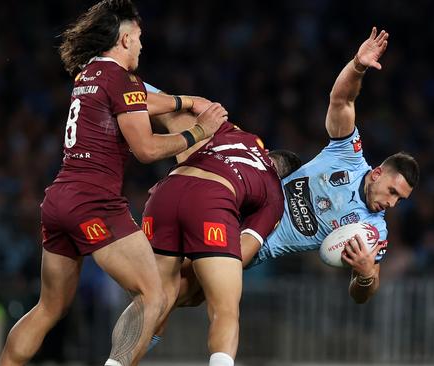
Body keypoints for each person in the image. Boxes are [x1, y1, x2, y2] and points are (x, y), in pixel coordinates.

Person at [145, 27, 419, 351]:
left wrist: (364, 276)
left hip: (257, 244)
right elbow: (341, 100)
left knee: (177, 294)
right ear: (376, 174)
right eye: (392, 192)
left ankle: (129, 350)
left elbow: (362, 294)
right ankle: (124, 85)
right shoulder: (347, 154)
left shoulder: (373, 231)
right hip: (244, 202)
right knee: (190, 118)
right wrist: (358, 66)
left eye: (400, 200)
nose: (392, 203)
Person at [0, 1, 227, 366]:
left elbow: (138, 102)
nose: (140, 45)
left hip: (59, 198)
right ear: (122, 40)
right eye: (137, 38)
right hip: (95, 202)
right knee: (153, 295)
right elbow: (147, 149)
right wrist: (200, 131)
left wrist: (185, 100)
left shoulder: (88, 74)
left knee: (49, 307)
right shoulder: (122, 78)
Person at [140, 121, 285, 366]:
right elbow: (241, 253)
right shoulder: (274, 192)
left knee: (153, 301)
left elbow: (179, 116)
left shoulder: (238, 135)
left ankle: (116, 361)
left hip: (165, 192)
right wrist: (201, 273)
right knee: (224, 308)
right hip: (212, 198)